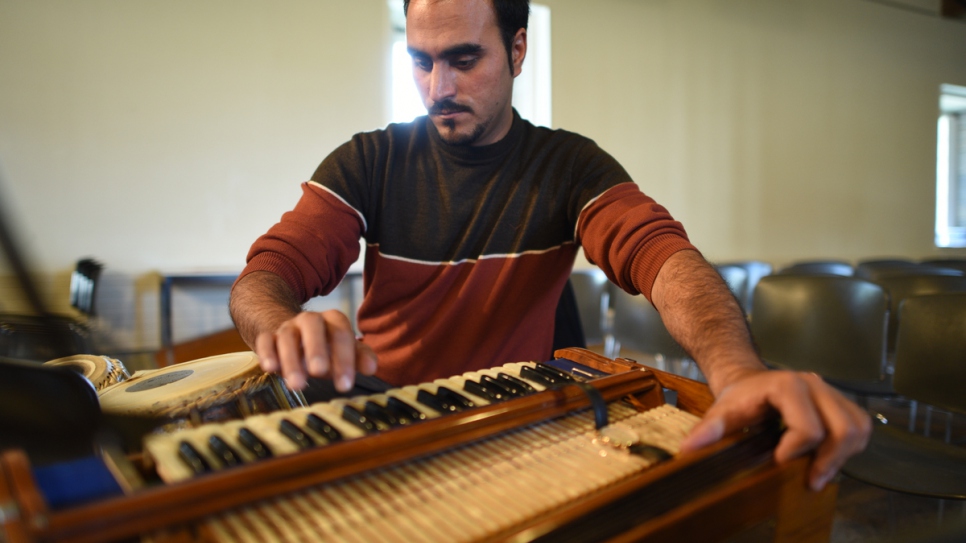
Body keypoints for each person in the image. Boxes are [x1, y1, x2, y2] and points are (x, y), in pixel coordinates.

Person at [229, 0, 870, 492]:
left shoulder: (569, 166)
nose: (437, 88)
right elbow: (265, 276)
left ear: (517, 49)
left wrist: (736, 373)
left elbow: (665, 260)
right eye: (421, 61)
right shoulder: (370, 160)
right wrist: (279, 324)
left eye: (463, 59)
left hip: (517, 427)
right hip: (387, 421)